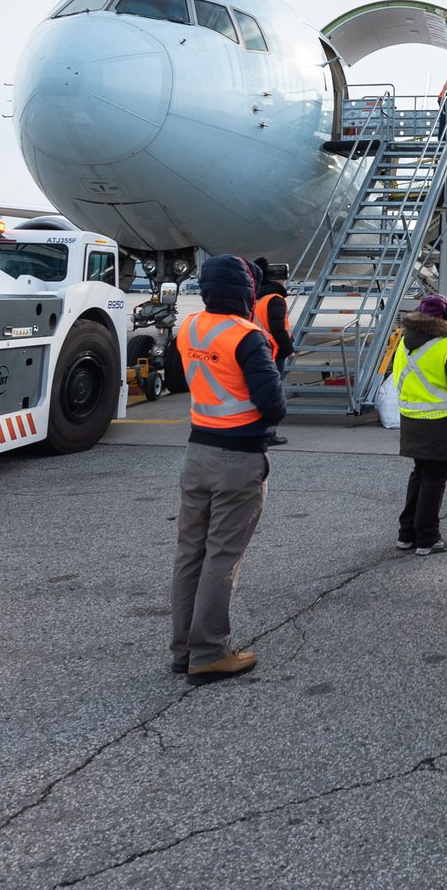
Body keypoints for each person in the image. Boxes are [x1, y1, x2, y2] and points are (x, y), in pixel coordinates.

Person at [170, 254, 284, 684]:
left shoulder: (192, 327)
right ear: (246, 291)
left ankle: (183, 649)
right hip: (238, 459)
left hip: (197, 452)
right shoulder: (246, 336)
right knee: (222, 557)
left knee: (189, 555)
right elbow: (274, 406)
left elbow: (180, 377)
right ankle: (209, 652)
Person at [392, 294, 447, 554]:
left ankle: (406, 534)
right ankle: (427, 537)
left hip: (412, 420)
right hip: (441, 423)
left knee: (420, 475)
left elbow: (397, 378)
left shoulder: (405, 343)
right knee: (434, 480)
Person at [251, 257, 294, 447]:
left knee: (259, 392)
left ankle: (257, 430)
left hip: (258, 349)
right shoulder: (275, 300)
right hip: (273, 352)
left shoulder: (258, 298)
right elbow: (278, 329)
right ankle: (268, 433)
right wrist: (289, 349)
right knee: (272, 395)